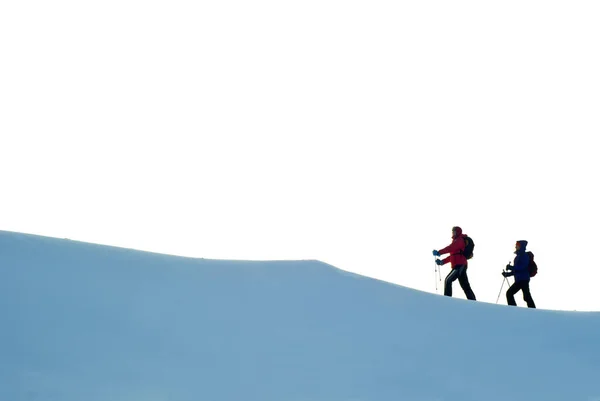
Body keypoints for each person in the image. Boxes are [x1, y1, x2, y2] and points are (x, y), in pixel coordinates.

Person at [432, 226, 476, 300]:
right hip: (460, 265)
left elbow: (450, 248)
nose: (453, 233)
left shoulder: (459, 240)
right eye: (452, 231)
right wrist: (442, 261)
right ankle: (473, 301)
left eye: (454, 231)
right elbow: (452, 256)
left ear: (457, 232)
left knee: (448, 280)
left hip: (460, 265)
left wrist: (439, 252)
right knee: (465, 286)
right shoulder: (456, 241)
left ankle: (447, 300)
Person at [503, 240, 536, 308]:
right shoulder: (518, 257)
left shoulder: (524, 255)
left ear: (521, 246)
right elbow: (517, 270)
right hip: (519, 280)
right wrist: (507, 274)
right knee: (511, 293)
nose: (515, 246)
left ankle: (532, 310)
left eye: (517, 245)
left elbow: (522, 267)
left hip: (523, 279)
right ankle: (515, 309)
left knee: (525, 296)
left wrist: (511, 267)